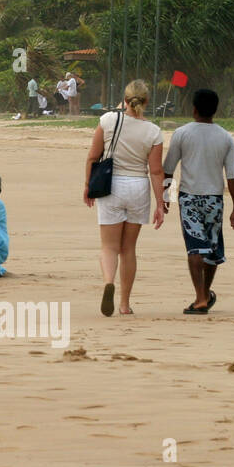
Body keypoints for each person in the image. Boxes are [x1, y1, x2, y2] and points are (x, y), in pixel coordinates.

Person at [83, 79, 165, 316]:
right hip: (138, 187)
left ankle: (109, 281)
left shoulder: (108, 120)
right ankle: (124, 303)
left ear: (125, 100)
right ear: (147, 101)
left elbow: (92, 156)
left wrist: (87, 185)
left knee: (109, 246)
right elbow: (156, 171)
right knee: (128, 248)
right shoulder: (153, 131)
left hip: (111, 186)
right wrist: (160, 204)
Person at [162, 89, 234, 315]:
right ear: (215, 110)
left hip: (189, 198)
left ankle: (200, 298)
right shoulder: (225, 137)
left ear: (194, 109)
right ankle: (204, 294)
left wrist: (165, 196)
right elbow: (232, 175)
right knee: (212, 248)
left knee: (195, 246)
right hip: (215, 199)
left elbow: (168, 169)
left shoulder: (181, 133)